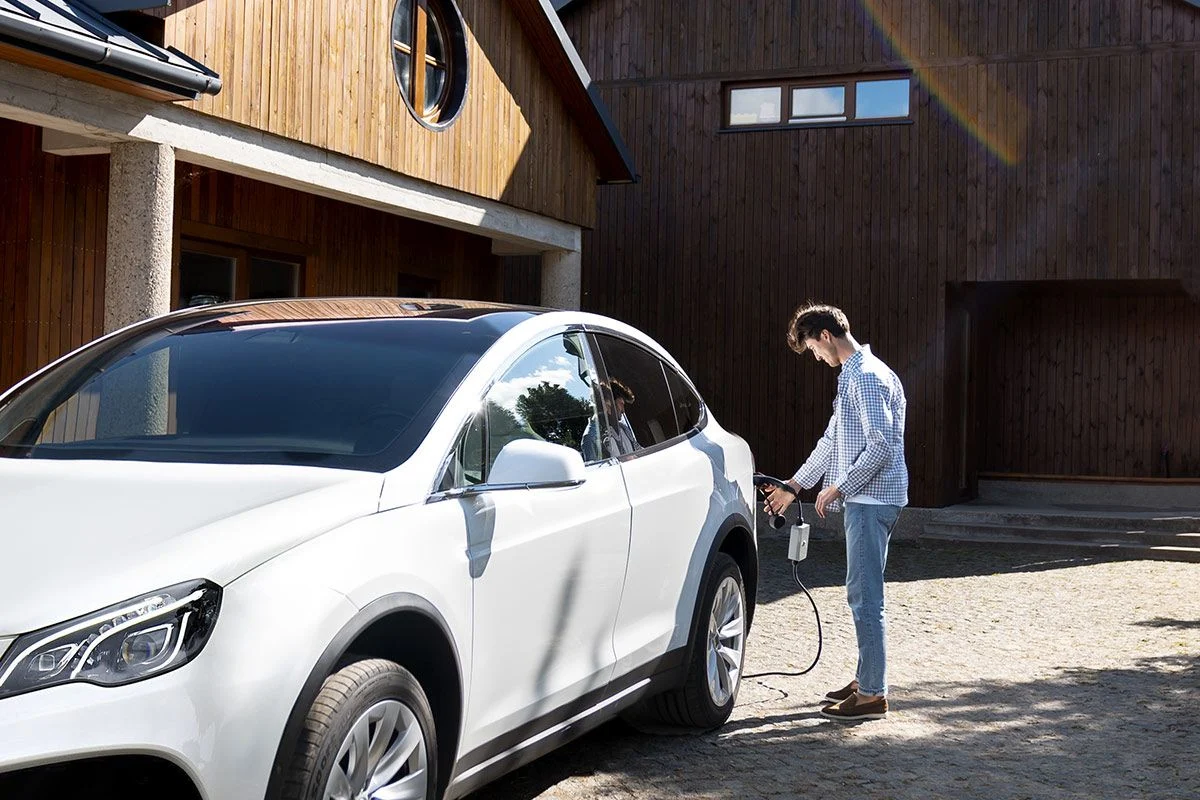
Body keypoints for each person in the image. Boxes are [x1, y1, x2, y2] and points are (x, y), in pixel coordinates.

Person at [763, 303, 908, 721]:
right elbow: (831, 441)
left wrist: (839, 487)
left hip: (870, 500)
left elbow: (881, 445)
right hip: (870, 498)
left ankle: (873, 694)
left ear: (825, 335)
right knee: (862, 592)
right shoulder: (856, 375)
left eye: (812, 348)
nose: (816, 357)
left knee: (865, 597)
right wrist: (794, 486)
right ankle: (867, 677)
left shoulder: (864, 377)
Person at [582, 378, 640, 460]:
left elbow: (639, 451)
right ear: (608, 403)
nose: (623, 411)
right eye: (621, 404)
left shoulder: (623, 428)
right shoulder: (591, 438)